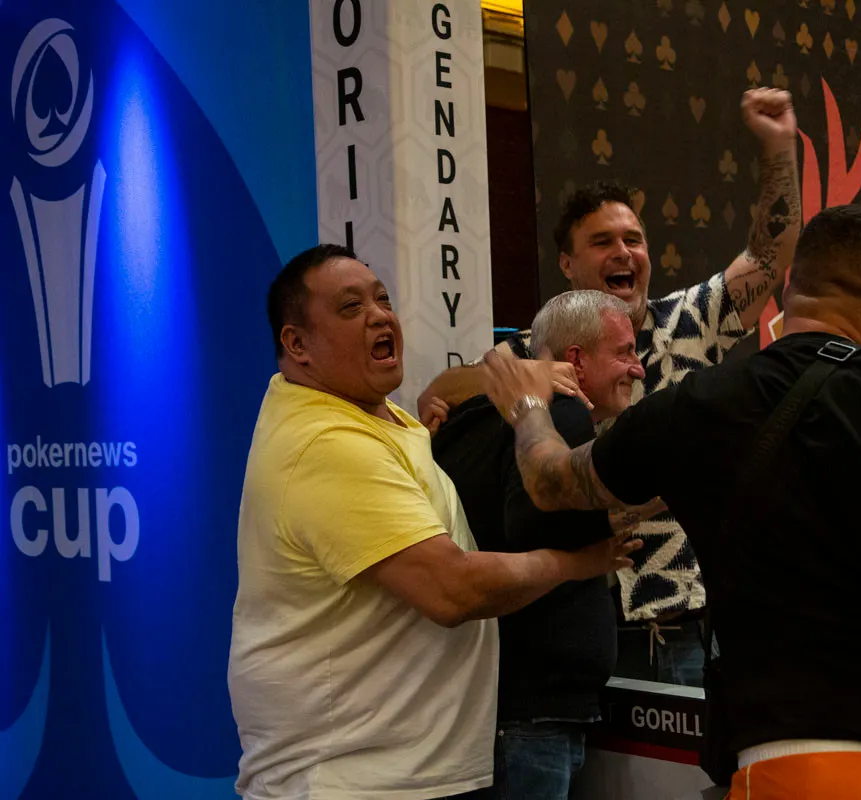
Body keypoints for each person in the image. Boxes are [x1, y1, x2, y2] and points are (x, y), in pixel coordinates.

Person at [481, 205, 861, 799]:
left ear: (789, 290)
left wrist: (528, 405)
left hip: (792, 762)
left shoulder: (695, 407)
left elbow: (551, 482)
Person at [419, 87, 802, 685]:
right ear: (567, 264)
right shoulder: (537, 346)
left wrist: (779, 147)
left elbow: (771, 255)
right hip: (578, 628)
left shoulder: (692, 319)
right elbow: (443, 387)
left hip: (681, 625)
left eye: (633, 239)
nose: (624, 251)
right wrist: (531, 374)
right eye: (602, 242)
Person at [227, 245, 639, 800]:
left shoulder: (383, 417)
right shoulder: (325, 443)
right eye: (351, 307)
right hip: (352, 778)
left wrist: (520, 376)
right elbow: (453, 589)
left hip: (407, 771)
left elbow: (444, 388)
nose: (380, 316)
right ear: (297, 344)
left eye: (383, 299)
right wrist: (577, 563)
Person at [432, 290, 652, 799]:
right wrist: (610, 525)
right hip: (530, 719)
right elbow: (532, 518)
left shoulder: (472, 416)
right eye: (625, 352)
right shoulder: (563, 414)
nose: (638, 368)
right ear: (576, 360)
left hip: (499, 709)